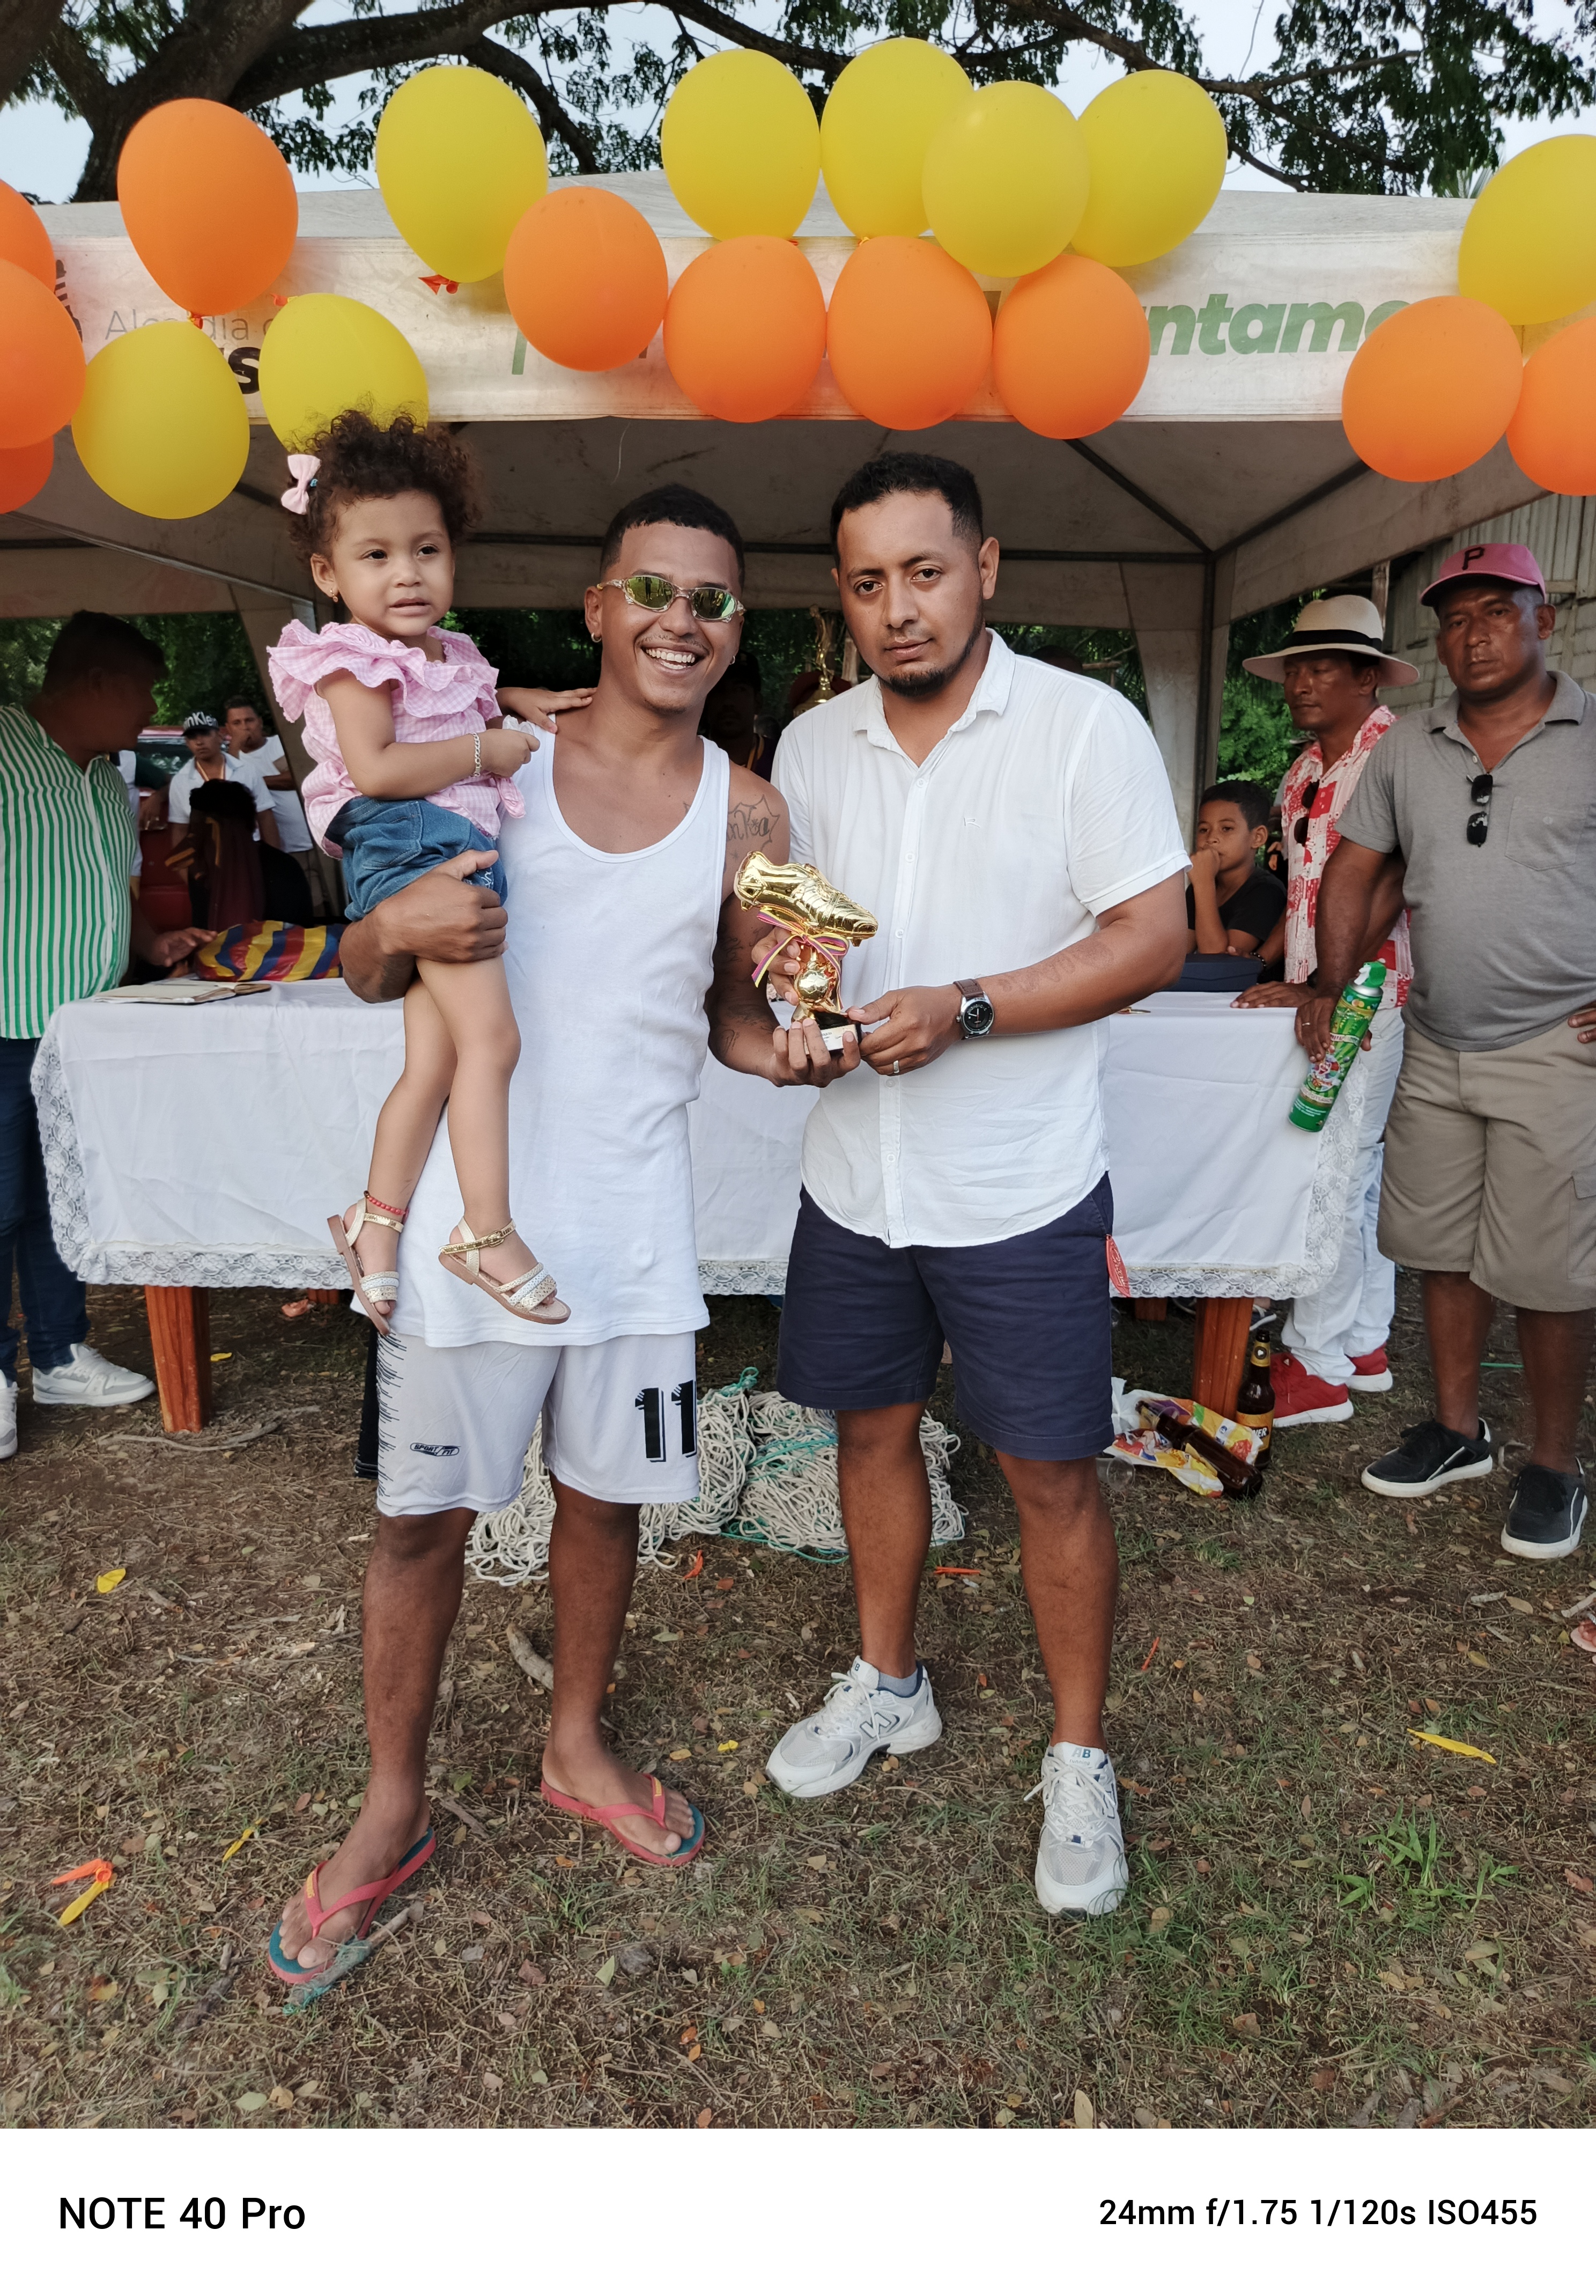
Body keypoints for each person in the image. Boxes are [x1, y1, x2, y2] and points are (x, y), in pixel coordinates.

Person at [267, 482, 806, 1978]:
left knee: (605, 1502)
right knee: (417, 1520)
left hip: (633, 1236)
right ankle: (390, 1803)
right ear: (598, 606)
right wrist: (390, 928)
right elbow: (372, 960)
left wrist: (796, 1050)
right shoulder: (499, 747)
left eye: (713, 599)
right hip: (469, 1230)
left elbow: (739, 1015)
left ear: (736, 625)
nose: (682, 621)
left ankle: (575, 1742)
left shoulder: (754, 811)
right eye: (655, 590)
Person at [709, 452, 1188, 1917]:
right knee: (871, 1436)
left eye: (926, 572)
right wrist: (796, 1012)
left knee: (1050, 1471)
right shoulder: (811, 748)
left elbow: (1153, 936)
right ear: (840, 597)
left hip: (1019, 1184)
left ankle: (1077, 1756)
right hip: (859, 1176)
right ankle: (889, 1679)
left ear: (986, 568)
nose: (899, 608)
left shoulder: (1083, 726)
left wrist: (967, 1007)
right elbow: (794, 939)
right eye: (868, 583)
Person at [269, 410, 589, 1331]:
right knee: (495, 1045)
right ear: (328, 574)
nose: (406, 573)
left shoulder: (448, 653)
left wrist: (513, 700)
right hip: (411, 847)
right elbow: (377, 768)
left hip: (443, 845)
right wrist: (486, 750)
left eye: (426, 549)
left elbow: (463, 700)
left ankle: (374, 1223)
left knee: (438, 1061)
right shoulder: (350, 662)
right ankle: (486, 1232)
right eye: (375, 556)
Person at [1312, 542, 1596, 1562]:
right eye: (1455, 620)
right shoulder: (1409, 746)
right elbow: (1354, 869)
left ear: (1543, 621)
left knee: (1551, 1273)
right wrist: (1331, 982)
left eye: (1496, 612)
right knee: (1437, 1247)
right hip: (1435, 1038)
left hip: (1556, 1045)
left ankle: (1555, 1465)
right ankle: (1458, 1429)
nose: (1473, 637)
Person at [0, 613, 210, 1460]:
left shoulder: (104, 778)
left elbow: (115, 888)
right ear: (96, 684)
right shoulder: (4, 752)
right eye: (143, 691)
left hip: (88, 1029)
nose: (152, 709)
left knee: (64, 1196)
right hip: (6, 1026)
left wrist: (151, 946)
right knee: (0, 1203)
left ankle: (59, 1356)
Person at [1233, 594, 1417, 1427]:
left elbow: (1391, 883)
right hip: (1325, 989)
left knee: (1333, 1172)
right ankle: (1365, 1341)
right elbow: (1305, 889)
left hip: (1370, 992)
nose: (1300, 683)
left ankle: (1318, 1363)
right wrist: (1278, 967)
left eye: (1321, 669)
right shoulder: (1306, 769)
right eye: (1294, 670)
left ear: (1367, 677)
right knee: (1359, 1169)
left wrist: (1328, 989)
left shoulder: (1397, 756)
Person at [223, 694, 320, 907]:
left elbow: (298, 777)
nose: (245, 727)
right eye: (237, 723)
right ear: (227, 729)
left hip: (314, 840)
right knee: (300, 908)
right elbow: (230, 791)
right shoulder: (230, 763)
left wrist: (254, 781)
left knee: (326, 904)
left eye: (249, 720)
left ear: (260, 722)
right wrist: (234, 752)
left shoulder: (280, 744)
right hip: (281, 849)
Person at [1186, 780, 1285, 954]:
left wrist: (1204, 884)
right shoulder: (1199, 887)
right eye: (1204, 830)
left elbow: (1218, 960)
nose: (1211, 839)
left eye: (1226, 829)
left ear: (1258, 838)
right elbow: (1181, 953)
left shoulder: (1267, 892)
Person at [165, 711, 282, 849]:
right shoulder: (181, 781)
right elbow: (180, 829)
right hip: (207, 857)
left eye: (205, 734)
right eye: (192, 737)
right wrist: (184, 863)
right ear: (187, 743)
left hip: (248, 852)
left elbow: (265, 817)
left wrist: (275, 857)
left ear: (220, 737)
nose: (199, 742)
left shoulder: (246, 770)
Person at [700, 653, 772, 776]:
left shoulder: (779, 758)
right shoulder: (686, 758)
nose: (728, 702)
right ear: (705, 701)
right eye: (718, 689)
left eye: (740, 689)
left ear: (758, 702)